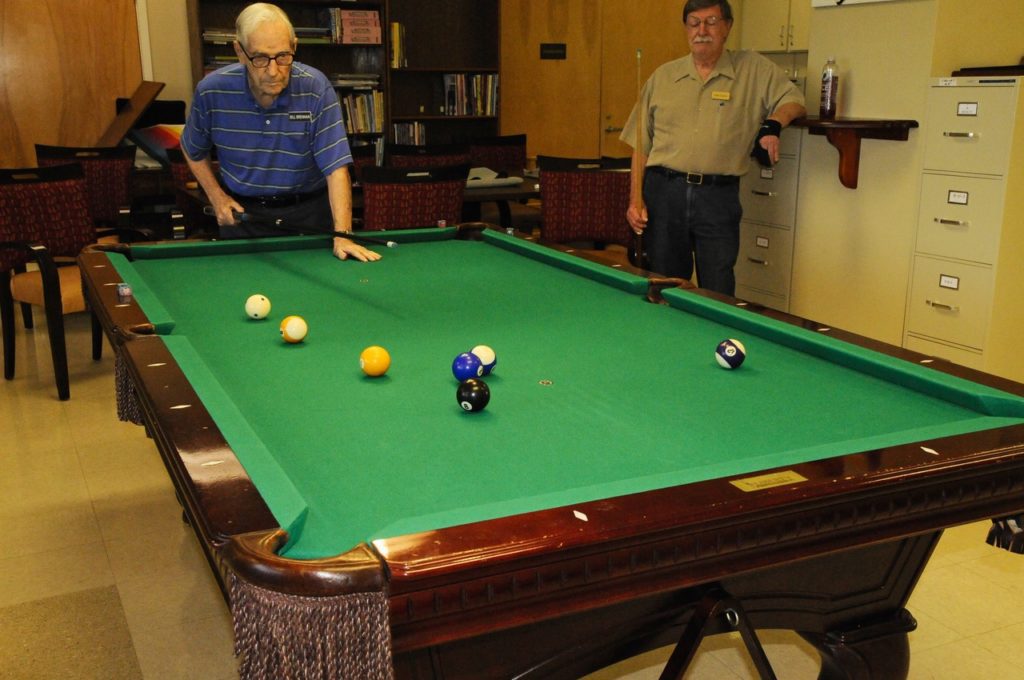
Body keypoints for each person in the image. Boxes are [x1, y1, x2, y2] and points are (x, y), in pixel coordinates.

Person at [621, 0, 805, 295]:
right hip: (665, 194)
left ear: (727, 27)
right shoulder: (663, 77)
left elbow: (794, 99)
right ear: (686, 29)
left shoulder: (753, 69)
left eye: (711, 21)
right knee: (665, 283)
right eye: (694, 23)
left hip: (718, 197)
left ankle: (718, 339)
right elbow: (640, 147)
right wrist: (635, 201)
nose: (702, 31)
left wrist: (773, 124)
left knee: (718, 284)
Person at [180, 3, 379, 262]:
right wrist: (217, 197)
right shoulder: (212, 91)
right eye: (260, 58)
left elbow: (336, 168)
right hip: (244, 218)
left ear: (294, 46)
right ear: (240, 52)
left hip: (309, 215)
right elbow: (192, 148)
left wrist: (342, 233)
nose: (274, 71)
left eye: (283, 56)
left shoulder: (315, 88)